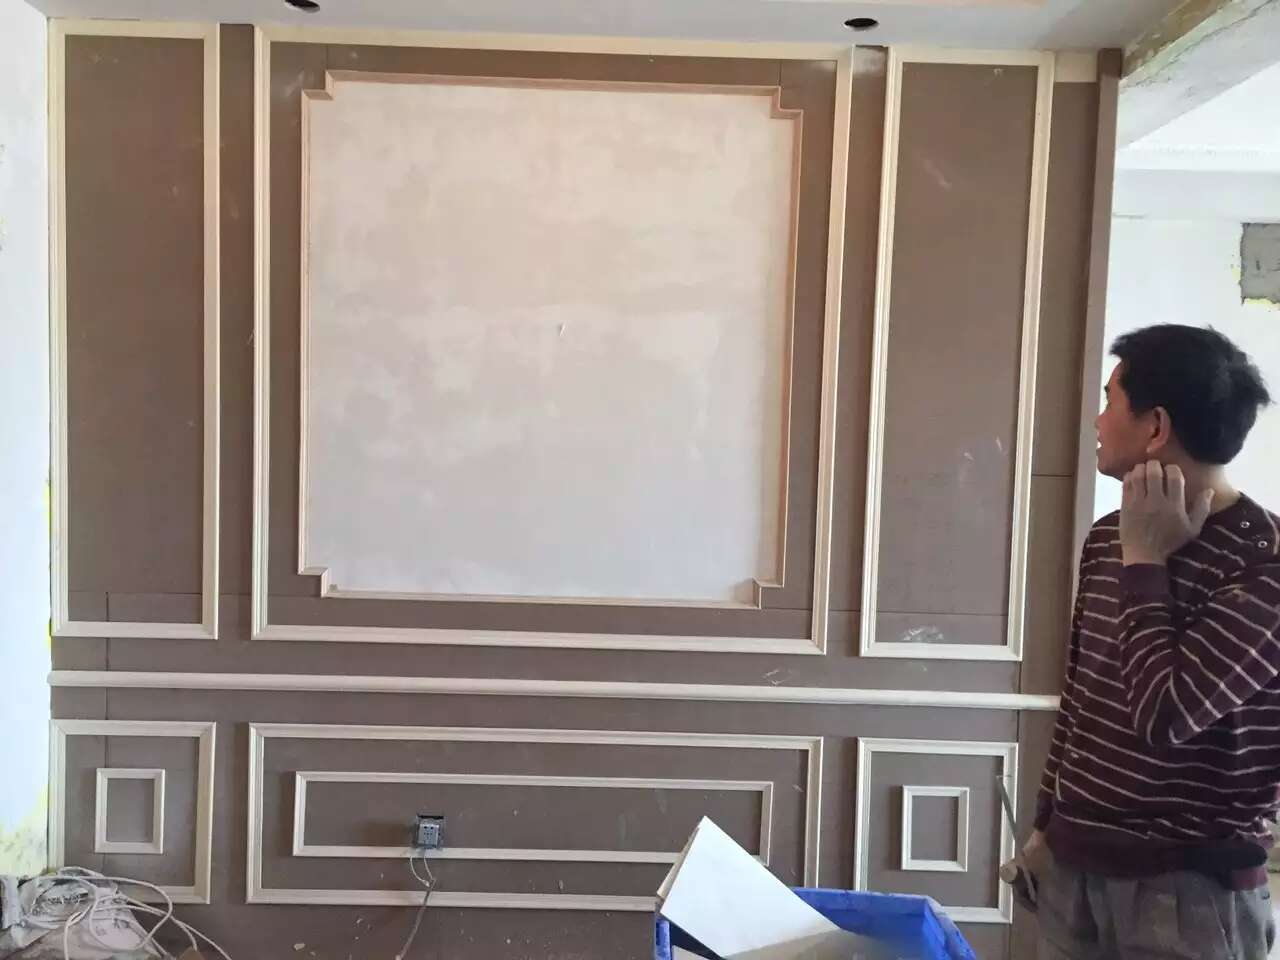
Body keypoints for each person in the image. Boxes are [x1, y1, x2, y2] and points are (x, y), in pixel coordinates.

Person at [1028, 324, 1279, 960]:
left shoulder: (1264, 564)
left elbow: (1164, 716)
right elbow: (1081, 694)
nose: (1098, 420)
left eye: (1110, 400)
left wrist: (1146, 561)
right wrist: (1045, 823)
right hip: (1071, 871)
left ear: (1156, 426)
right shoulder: (1105, 537)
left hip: (1191, 897)